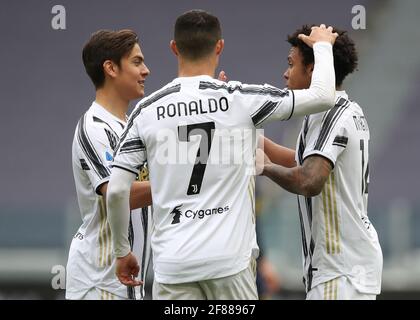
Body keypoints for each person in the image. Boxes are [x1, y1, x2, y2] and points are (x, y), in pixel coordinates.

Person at [106, 10, 338, 300]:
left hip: (173, 266)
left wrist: (121, 252)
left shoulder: (146, 111)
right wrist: (324, 46)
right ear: (219, 47)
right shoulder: (239, 99)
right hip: (229, 264)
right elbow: (324, 96)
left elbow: (116, 192)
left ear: (174, 48)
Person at [259, 25, 383, 299]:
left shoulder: (332, 114)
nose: (285, 72)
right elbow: (300, 160)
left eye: (292, 64)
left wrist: (263, 167)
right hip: (347, 269)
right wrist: (257, 141)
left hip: (340, 272)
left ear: (314, 70)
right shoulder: (336, 111)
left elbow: (309, 180)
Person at [66, 29, 153, 300]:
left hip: (124, 280)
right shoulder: (94, 129)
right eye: (137, 62)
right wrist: (178, 181)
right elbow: (120, 194)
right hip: (100, 281)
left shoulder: (133, 127)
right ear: (111, 68)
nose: (147, 70)